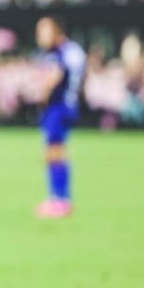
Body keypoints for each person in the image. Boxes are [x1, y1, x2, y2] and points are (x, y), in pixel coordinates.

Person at [34, 16, 86, 218]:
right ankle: (57, 197)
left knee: (55, 151)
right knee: (52, 151)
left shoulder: (65, 51)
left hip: (60, 106)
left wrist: (42, 92)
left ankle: (60, 199)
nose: (40, 36)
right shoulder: (60, 52)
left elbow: (57, 76)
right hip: (60, 106)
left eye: (43, 31)